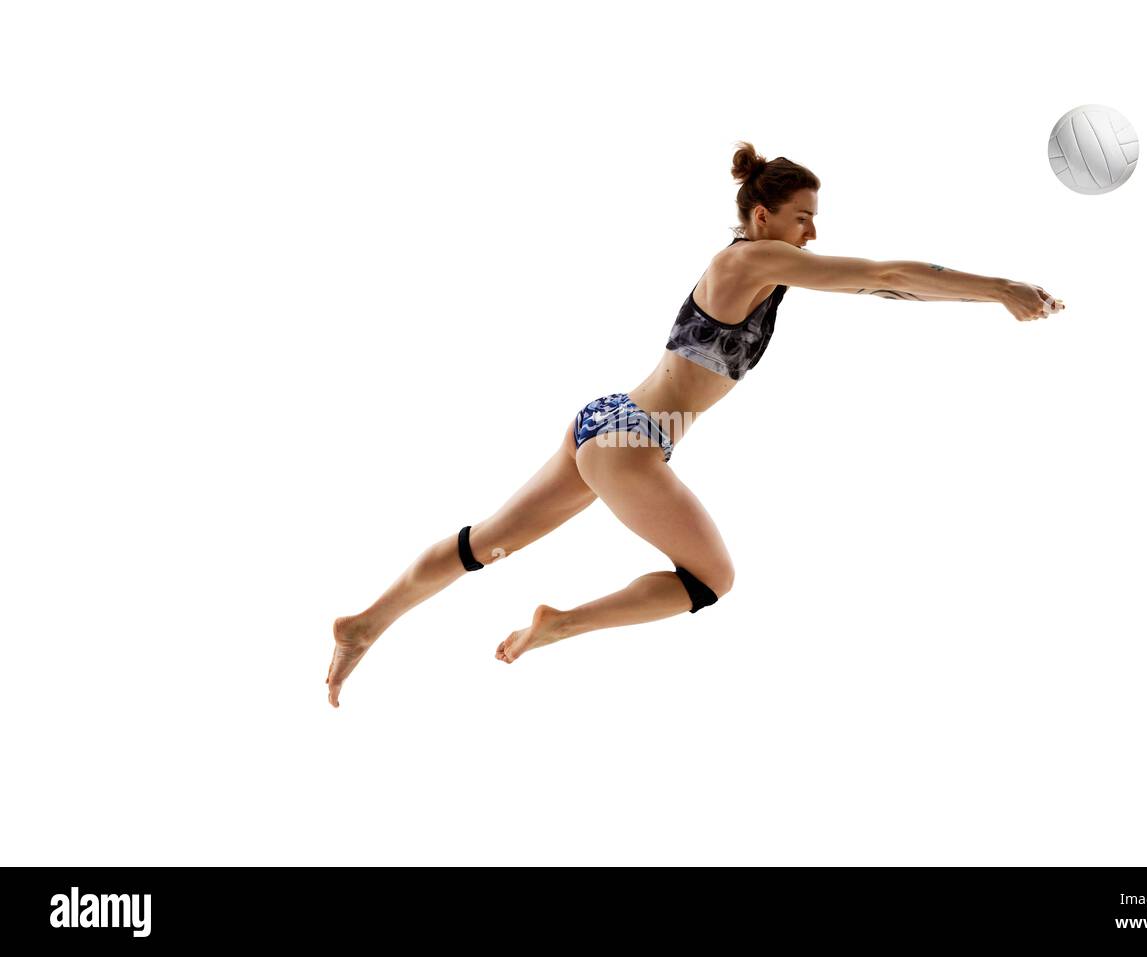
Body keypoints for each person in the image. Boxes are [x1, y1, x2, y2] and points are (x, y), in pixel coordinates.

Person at [325, 140, 1065, 706]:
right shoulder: (745, 261)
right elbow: (888, 271)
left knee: (484, 544)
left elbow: (887, 290)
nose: (812, 233)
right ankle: (561, 623)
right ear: (764, 214)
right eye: (804, 217)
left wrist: (987, 298)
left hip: (611, 422)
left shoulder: (766, 270)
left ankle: (364, 622)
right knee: (711, 578)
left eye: (815, 221)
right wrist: (1000, 287)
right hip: (632, 441)